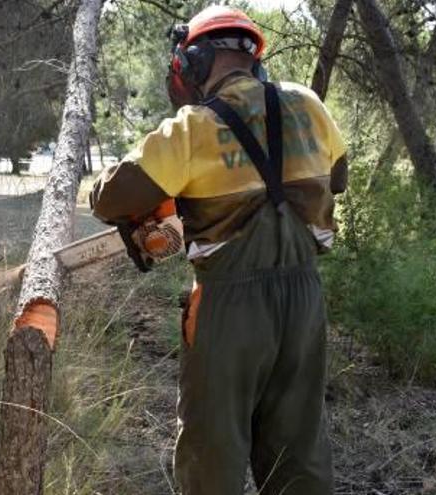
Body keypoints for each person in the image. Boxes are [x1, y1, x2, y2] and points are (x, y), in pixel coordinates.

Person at [89, 6, 348, 495]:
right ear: (253, 58)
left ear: (193, 63)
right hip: (304, 299)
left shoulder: (193, 127)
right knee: (300, 451)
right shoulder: (310, 105)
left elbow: (112, 199)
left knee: (213, 455)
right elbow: (338, 178)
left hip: (228, 308)